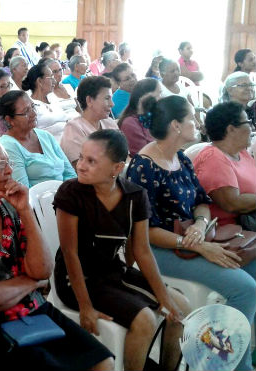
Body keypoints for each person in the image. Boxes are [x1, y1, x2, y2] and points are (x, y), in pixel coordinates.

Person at [0, 135, 114, 371]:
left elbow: (42, 270)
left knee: (102, 362)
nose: (8, 170)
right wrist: (31, 283)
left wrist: (26, 210)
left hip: (32, 312)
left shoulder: (9, 208)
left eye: (8, 162)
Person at [126, 95, 256, 371]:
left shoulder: (180, 158)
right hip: (159, 250)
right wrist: (195, 244)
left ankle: (237, 349)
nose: (197, 122)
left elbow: (201, 201)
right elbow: (145, 232)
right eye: (190, 118)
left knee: (254, 265)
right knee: (246, 288)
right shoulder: (143, 167)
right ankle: (230, 364)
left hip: (191, 240)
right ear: (175, 125)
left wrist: (199, 224)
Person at [55, 129, 188, 370]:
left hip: (113, 272)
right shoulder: (70, 193)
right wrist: (85, 307)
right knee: (145, 319)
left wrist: (165, 297)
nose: (81, 166)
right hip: (77, 279)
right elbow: (69, 253)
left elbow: (142, 251)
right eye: (82, 158)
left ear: (116, 169)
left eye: (91, 161)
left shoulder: (135, 196)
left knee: (180, 308)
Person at [193, 102, 256, 229]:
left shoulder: (241, 152)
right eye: (248, 123)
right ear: (231, 129)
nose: (252, 127)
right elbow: (232, 203)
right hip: (232, 232)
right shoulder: (213, 158)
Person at [0, 90, 75, 187]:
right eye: (26, 112)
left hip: (65, 196)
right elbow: (23, 191)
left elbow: (70, 173)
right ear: (9, 120)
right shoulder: (8, 147)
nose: (33, 114)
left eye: (33, 107)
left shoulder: (45, 136)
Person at [60, 76, 118, 167]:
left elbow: (124, 155)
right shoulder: (74, 129)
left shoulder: (109, 123)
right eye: (107, 98)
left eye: (111, 98)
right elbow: (82, 168)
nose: (112, 104)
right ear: (89, 100)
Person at [22, 63, 71, 136]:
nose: (54, 80)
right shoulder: (31, 105)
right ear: (40, 81)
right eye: (51, 77)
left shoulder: (52, 98)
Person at [118, 78, 161, 156]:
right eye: (158, 95)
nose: (161, 98)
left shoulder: (153, 116)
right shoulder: (130, 123)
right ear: (145, 98)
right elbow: (143, 155)